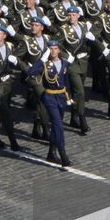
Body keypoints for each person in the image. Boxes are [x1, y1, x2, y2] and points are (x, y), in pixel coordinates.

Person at [27, 40, 73, 168]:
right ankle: (63, 153)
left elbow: (66, 81)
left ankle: (51, 153)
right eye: (50, 49)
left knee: (56, 125)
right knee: (58, 124)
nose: (53, 51)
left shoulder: (64, 63)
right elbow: (30, 72)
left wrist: (69, 96)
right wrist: (42, 59)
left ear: (59, 50)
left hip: (61, 97)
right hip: (49, 97)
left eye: (55, 49)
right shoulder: (44, 64)